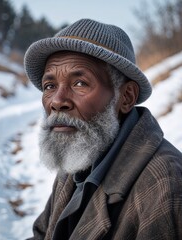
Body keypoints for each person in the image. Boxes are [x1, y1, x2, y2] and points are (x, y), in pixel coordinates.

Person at [24, 18, 182, 240]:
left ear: (126, 97)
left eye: (80, 83)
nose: (57, 101)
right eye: (49, 86)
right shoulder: (79, 151)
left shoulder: (166, 185)